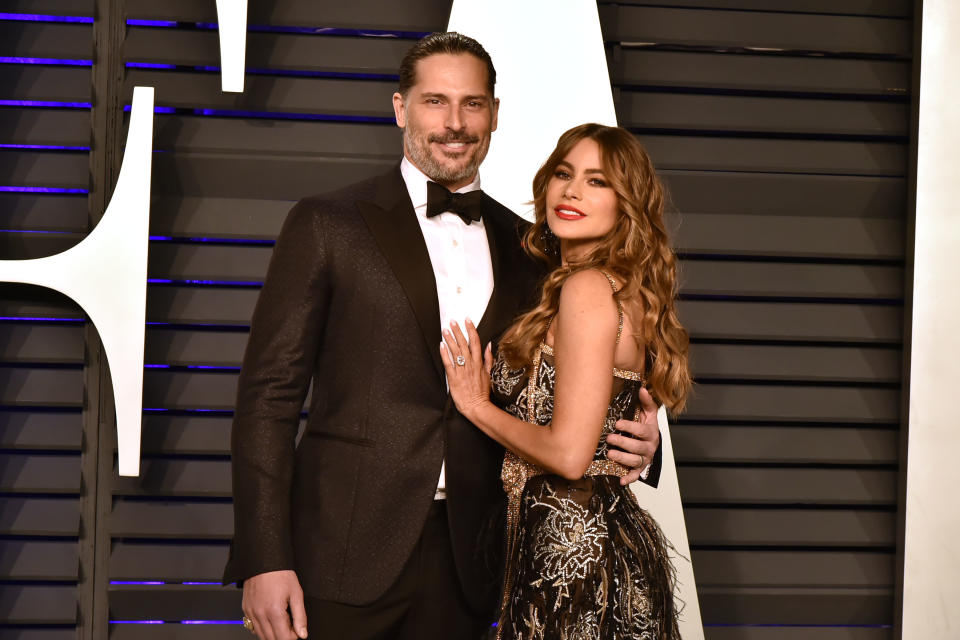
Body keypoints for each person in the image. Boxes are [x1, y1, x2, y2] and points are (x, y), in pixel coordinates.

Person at [223, 33, 662, 640]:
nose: (454, 123)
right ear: (401, 108)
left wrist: (642, 441)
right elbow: (267, 398)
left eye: (472, 104)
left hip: (476, 562)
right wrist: (264, 557)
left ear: (495, 114)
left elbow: (574, 380)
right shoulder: (328, 223)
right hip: (341, 555)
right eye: (435, 102)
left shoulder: (536, 251)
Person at [441, 123, 692, 639]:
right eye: (564, 173)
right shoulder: (615, 287)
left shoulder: (586, 288)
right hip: (591, 543)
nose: (572, 190)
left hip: (570, 554)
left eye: (598, 182)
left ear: (628, 205)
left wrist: (476, 404)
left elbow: (571, 454)